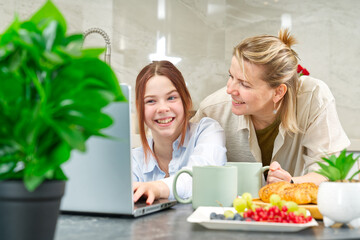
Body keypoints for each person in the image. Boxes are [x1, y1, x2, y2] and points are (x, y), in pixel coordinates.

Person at [191, 29, 350, 186]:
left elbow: (331, 172)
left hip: (295, 208)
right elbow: (186, 167)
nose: (229, 89)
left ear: (279, 92)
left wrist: (291, 183)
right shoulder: (211, 111)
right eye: (231, 76)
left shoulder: (313, 97)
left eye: (244, 84)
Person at [132, 60, 227, 205]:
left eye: (171, 98)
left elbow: (201, 179)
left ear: (186, 101)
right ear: (140, 110)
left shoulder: (208, 131)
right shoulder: (134, 161)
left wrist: (156, 188)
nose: (162, 108)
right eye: (151, 101)